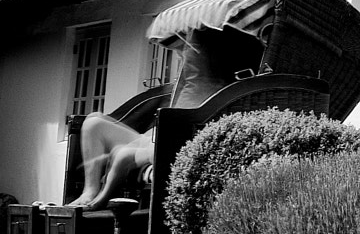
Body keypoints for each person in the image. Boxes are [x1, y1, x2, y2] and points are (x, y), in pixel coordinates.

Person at [67, 25, 261, 209]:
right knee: (93, 122)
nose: (183, 54)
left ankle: (99, 199)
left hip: (169, 139)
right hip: (153, 135)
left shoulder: (226, 85)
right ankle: (89, 191)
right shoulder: (188, 81)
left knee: (122, 154)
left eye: (189, 51)